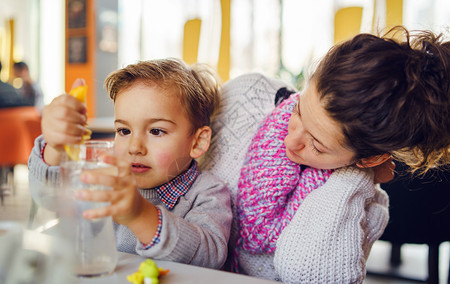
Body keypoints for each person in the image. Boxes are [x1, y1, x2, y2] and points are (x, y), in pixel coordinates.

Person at [200, 27, 450, 283]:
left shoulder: (363, 207)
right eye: (298, 110)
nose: (291, 140)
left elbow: (307, 275)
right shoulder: (247, 96)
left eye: (317, 146)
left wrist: (355, 176)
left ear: (370, 158)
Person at [28, 58, 233, 269]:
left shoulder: (208, 192)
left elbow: (209, 256)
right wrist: (55, 147)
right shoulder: (106, 177)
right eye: (124, 131)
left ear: (197, 142)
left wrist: (140, 215)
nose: (134, 147)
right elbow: (49, 197)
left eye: (156, 131)